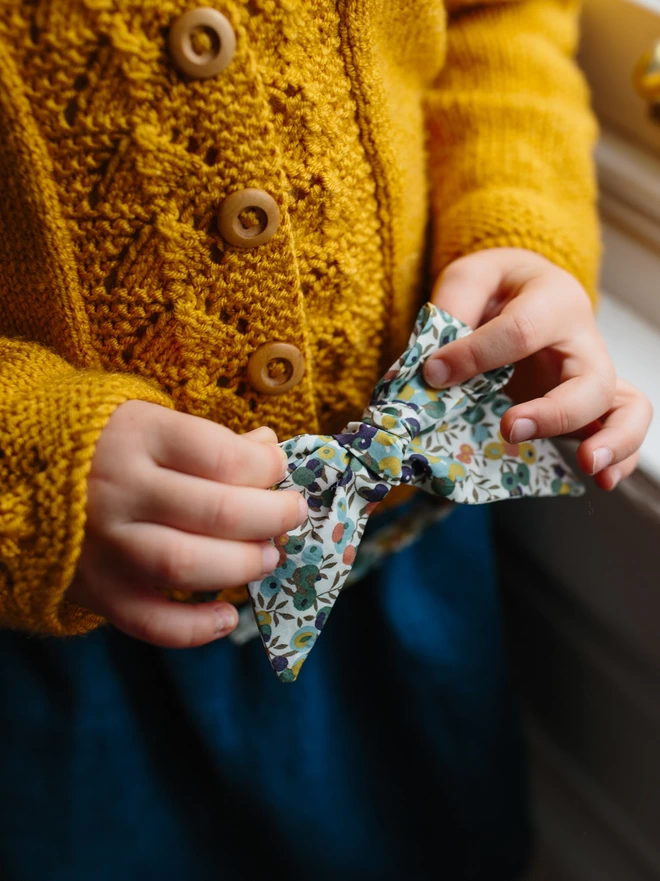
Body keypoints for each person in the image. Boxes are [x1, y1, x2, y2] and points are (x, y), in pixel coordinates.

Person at [0, 1, 652, 879]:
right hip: (70, 628)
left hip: (400, 570)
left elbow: (498, 24)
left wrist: (516, 219)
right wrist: (25, 450)